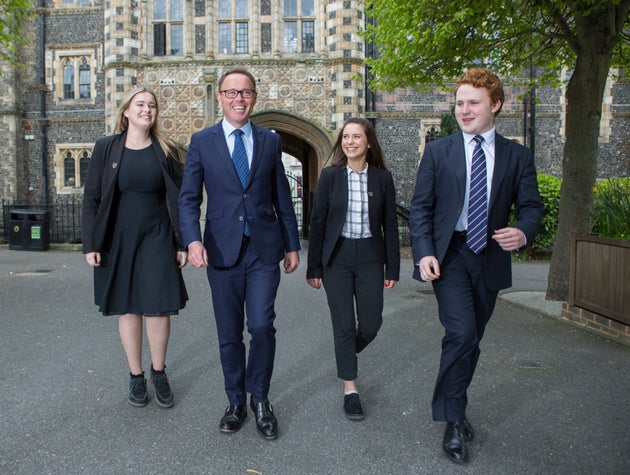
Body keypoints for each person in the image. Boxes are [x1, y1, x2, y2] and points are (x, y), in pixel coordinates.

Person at [409, 68, 544, 464]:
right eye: (460, 103)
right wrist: (424, 252)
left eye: (473, 103)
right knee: (461, 333)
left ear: (495, 105)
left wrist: (522, 233)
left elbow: (532, 207)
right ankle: (452, 421)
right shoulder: (438, 150)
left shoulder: (517, 155)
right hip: (449, 254)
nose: (464, 110)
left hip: (491, 255)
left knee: (472, 340)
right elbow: (421, 208)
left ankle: (457, 405)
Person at [178, 67, 300, 440]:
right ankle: (235, 401)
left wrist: (292, 244)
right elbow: (188, 198)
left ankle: (260, 399)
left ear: (254, 97)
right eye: (231, 93)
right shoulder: (202, 141)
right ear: (220, 97)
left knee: (262, 326)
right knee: (229, 333)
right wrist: (192, 240)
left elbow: (282, 194)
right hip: (221, 250)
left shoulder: (269, 141)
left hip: (263, 249)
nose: (238, 99)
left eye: (245, 92)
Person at [82, 87, 188, 409]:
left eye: (151, 105)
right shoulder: (106, 148)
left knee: (158, 306)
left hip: (157, 234)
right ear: (126, 111)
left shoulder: (167, 149)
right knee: (128, 306)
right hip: (119, 237)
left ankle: (158, 371)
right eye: (140, 104)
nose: (147, 109)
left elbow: (182, 200)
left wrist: (183, 241)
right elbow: (92, 198)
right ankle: (136, 375)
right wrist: (91, 244)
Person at [306, 118, 400, 420]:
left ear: (368, 142)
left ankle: (345, 353)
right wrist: (314, 268)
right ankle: (350, 389)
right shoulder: (331, 176)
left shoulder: (382, 179)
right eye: (345, 137)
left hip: (371, 257)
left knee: (371, 324)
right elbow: (317, 223)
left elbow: (390, 225)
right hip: (338, 258)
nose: (350, 142)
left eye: (356, 136)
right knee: (344, 324)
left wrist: (392, 268)